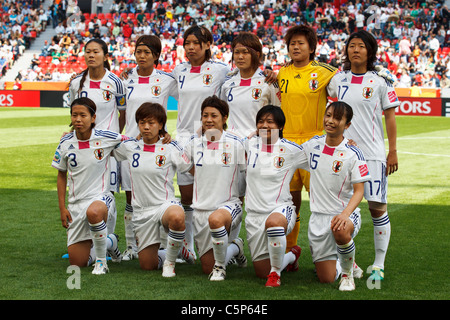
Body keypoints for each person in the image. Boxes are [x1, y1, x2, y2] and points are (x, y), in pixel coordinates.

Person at [328, 30, 400, 281]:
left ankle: (379, 265)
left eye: (361, 46)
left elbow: (390, 117)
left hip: (373, 155)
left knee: (377, 208)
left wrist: (392, 151)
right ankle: (349, 262)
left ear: (370, 51)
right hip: (344, 155)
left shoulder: (381, 81)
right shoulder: (338, 80)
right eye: (351, 46)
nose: (355, 50)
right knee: (340, 209)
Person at [171, 26, 230, 261]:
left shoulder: (221, 70)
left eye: (196, 43)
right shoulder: (177, 71)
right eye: (187, 43)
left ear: (207, 45)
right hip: (185, 137)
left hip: (212, 137)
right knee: (187, 196)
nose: (191, 47)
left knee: (216, 193)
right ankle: (189, 246)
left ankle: (228, 243)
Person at [277, 25, 337, 254]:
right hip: (289, 144)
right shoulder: (282, 72)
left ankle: (328, 252)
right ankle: (290, 249)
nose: (296, 47)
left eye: (301, 43)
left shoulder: (324, 71)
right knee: (290, 202)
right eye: (292, 43)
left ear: (311, 48)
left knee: (322, 202)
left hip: (315, 144)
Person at [120, 35, 179, 262]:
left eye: (147, 52)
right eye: (138, 52)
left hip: (158, 146)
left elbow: (188, 99)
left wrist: (168, 132)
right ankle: (131, 246)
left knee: (160, 196)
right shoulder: (125, 79)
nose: (142, 56)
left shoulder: (166, 80)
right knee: (130, 197)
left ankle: (165, 246)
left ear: (156, 55)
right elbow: (122, 111)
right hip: (133, 147)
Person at [301, 101, 371, 291]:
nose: (330, 121)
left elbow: (359, 191)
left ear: (347, 125)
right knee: (326, 279)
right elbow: (287, 153)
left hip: (344, 214)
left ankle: (348, 276)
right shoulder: (312, 146)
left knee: (340, 230)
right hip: (318, 218)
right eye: (328, 115)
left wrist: (345, 214)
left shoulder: (353, 153)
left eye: (337, 118)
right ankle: (348, 262)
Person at [113, 103, 188, 277]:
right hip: (141, 211)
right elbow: (104, 147)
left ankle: (169, 263)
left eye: (151, 123)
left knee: (176, 216)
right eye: (142, 122)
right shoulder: (130, 147)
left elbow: (189, 168)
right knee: (148, 265)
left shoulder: (170, 147)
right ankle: (177, 249)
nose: (146, 127)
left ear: (161, 125)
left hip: (164, 205)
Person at [52, 97, 124, 275]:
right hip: (76, 205)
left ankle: (101, 263)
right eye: (74, 115)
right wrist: (62, 208)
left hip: (101, 198)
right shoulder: (65, 142)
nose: (78, 119)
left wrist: (163, 138)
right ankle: (110, 242)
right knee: (78, 262)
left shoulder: (106, 137)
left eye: (83, 115)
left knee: (94, 212)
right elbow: (61, 175)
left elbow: (134, 141)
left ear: (93, 118)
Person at [178, 95, 247, 281]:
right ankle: (236, 247)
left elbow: (247, 174)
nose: (208, 119)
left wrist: (242, 199)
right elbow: (183, 165)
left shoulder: (236, 143)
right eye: (205, 115)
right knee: (205, 268)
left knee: (216, 223)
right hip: (200, 210)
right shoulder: (194, 143)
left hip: (227, 206)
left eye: (214, 115)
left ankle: (220, 268)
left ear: (224, 118)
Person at [68, 38, 127, 235]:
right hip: (83, 146)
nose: (91, 55)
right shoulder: (76, 82)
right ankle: (82, 239)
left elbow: (123, 113)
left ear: (105, 56)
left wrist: (112, 139)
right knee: (80, 192)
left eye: (96, 52)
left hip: (106, 149)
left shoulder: (115, 82)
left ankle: (108, 240)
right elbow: (74, 113)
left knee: (107, 193)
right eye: (88, 52)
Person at [244, 105, 302, 287]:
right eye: (261, 121)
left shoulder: (291, 150)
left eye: (270, 122)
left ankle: (275, 274)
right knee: (261, 272)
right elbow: (218, 139)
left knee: (274, 223)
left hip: (280, 210)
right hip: (254, 216)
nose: (265, 125)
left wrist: (347, 143)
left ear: (280, 126)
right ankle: (292, 255)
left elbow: (321, 152)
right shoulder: (249, 144)